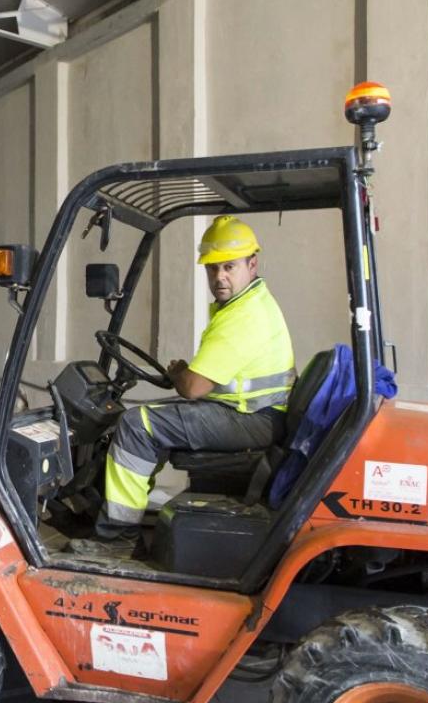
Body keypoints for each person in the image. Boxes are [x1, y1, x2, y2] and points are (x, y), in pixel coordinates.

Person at [98, 215, 295, 539]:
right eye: (212, 268)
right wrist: (182, 376)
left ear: (252, 265)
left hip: (252, 418)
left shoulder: (244, 315)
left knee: (137, 424)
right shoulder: (248, 304)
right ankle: (130, 510)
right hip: (252, 412)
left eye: (229, 266)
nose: (219, 276)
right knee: (152, 419)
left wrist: (179, 374)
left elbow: (193, 387)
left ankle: (116, 535)